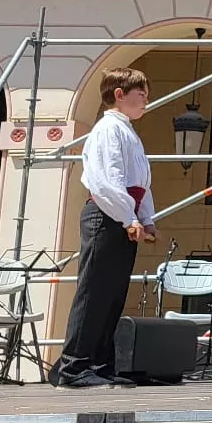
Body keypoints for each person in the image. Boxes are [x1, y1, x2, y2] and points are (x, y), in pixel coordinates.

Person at [53, 68, 156, 388]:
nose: (145, 103)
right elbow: (106, 180)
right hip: (106, 215)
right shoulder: (107, 129)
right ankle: (73, 365)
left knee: (112, 293)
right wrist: (129, 217)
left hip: (123, 216)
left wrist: (146, 218)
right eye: (141, 96)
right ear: (119, 95)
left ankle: (99, 361)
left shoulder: (128, 132)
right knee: (94, 292)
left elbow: (141, 182)